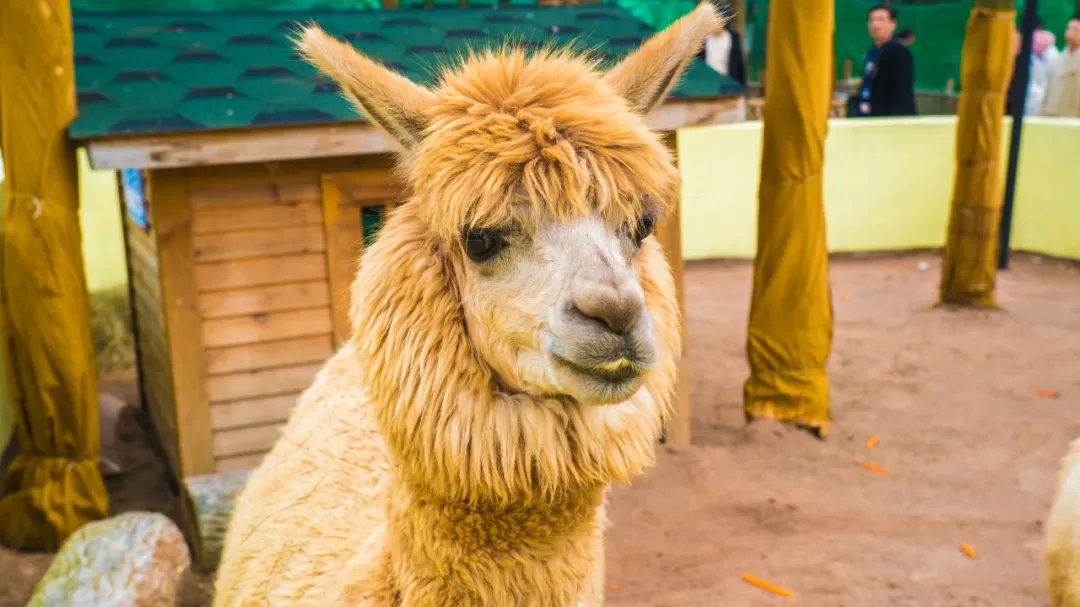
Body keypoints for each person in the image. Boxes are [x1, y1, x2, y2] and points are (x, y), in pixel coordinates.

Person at [848, 4, 917, 118]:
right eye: (872, 20)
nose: (875, 25)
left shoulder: (899, 53)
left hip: (886, 119)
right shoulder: (872, 52)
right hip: (865, 116)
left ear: (893, 24)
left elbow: (902, 93)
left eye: (881, 20)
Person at [697, 1, 748, 87]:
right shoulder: (702, 39)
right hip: (706, 84)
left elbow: (740, 64)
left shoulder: (733, 38)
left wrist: (742, 86)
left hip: (727, 83)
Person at [1041, 14, 1080, 117]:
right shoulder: (1057, 59)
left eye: (1076, 30)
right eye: (1069, 28)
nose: (1070, 33)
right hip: (1052, 114)